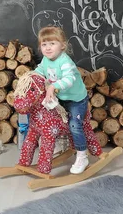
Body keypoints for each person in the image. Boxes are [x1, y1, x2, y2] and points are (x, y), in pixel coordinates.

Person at [34, 26, 91, 174]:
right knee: (50, 119)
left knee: (74, 125)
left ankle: (82, 155)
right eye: (44, 44)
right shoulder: (46, 60)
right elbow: (39, 71)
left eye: (52, 43)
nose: (47, 48)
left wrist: (52, 87)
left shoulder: (64, 61)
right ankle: (56, 145)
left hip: (76, 100)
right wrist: (31, 77)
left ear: (62, 45)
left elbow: (69, 78)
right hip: (61, 99)